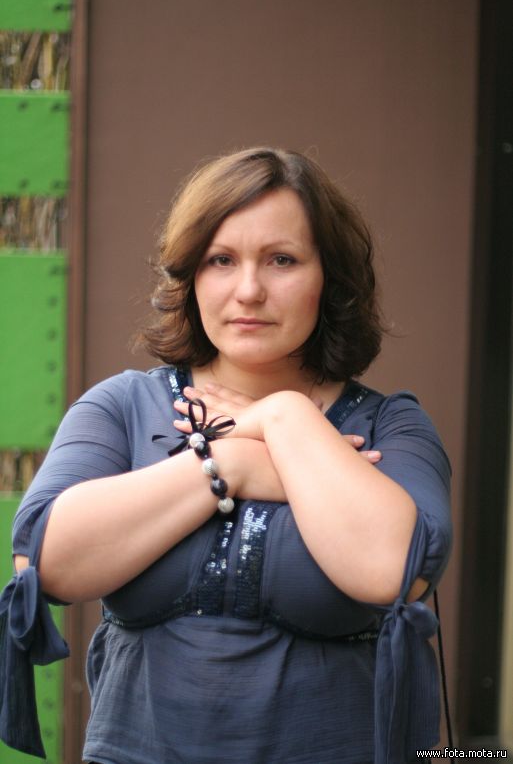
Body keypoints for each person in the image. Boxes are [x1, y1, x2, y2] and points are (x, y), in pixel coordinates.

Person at [4, 147, 451, 764]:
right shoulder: (124, 406)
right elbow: (45, 561)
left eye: (282, 260)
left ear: (331, 278)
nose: (249, 290)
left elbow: (395, 571)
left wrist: (283, 416)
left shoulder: (389, 425)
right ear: (191, 277)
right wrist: (231, 466)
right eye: (221, 260)